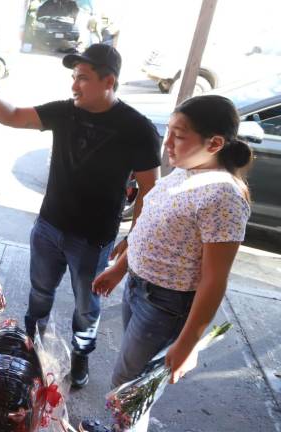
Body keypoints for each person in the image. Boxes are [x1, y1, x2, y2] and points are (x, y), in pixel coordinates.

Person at [0, 43, 161, 388]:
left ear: (108, 80)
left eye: (82, 78)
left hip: (92, 240)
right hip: (48, 228)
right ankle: (30, 344)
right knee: (40, 293)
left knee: (87, 309)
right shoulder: (65, 112)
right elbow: (11, 115)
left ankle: (81, 353)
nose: (74, 86)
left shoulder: (138, 128)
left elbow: (150, 191)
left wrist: (133, 240)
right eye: (73, 77)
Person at [91, 95, 252, 431]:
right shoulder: (183, 172)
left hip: (166, 304)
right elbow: (148, 225)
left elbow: (213, 280)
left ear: (215, 143)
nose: (168, 143)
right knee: (133, 381)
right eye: (170, 131)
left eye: (179, 135)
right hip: (140, 288)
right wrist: (120, 269)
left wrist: (187, 343)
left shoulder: (223, 196)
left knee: (128, 383)